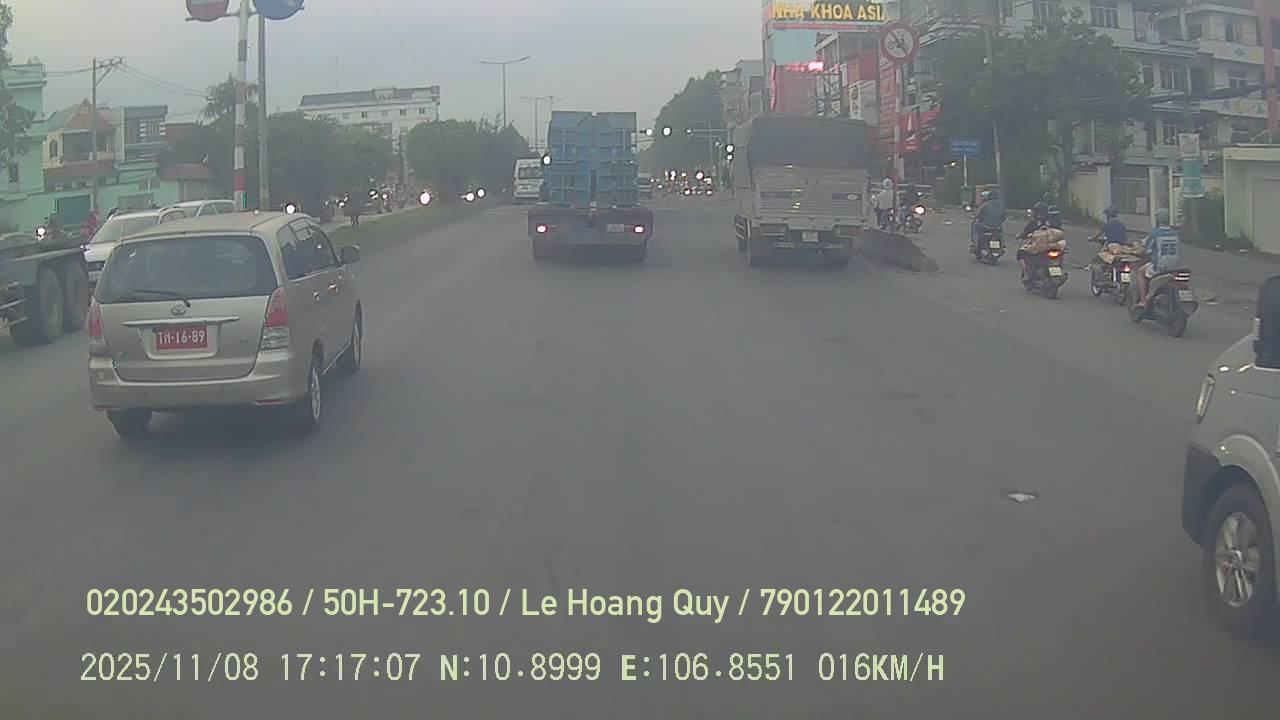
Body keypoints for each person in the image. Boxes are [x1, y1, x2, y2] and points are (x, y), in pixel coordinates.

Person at [1135, 208, 1180, 309]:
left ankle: (1143, 300)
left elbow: (1146, 250)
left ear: (1158, 219)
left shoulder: (1155, 233)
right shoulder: (1175, 233)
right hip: (1174, 267)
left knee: (1140, 271)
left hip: (1159, 268)